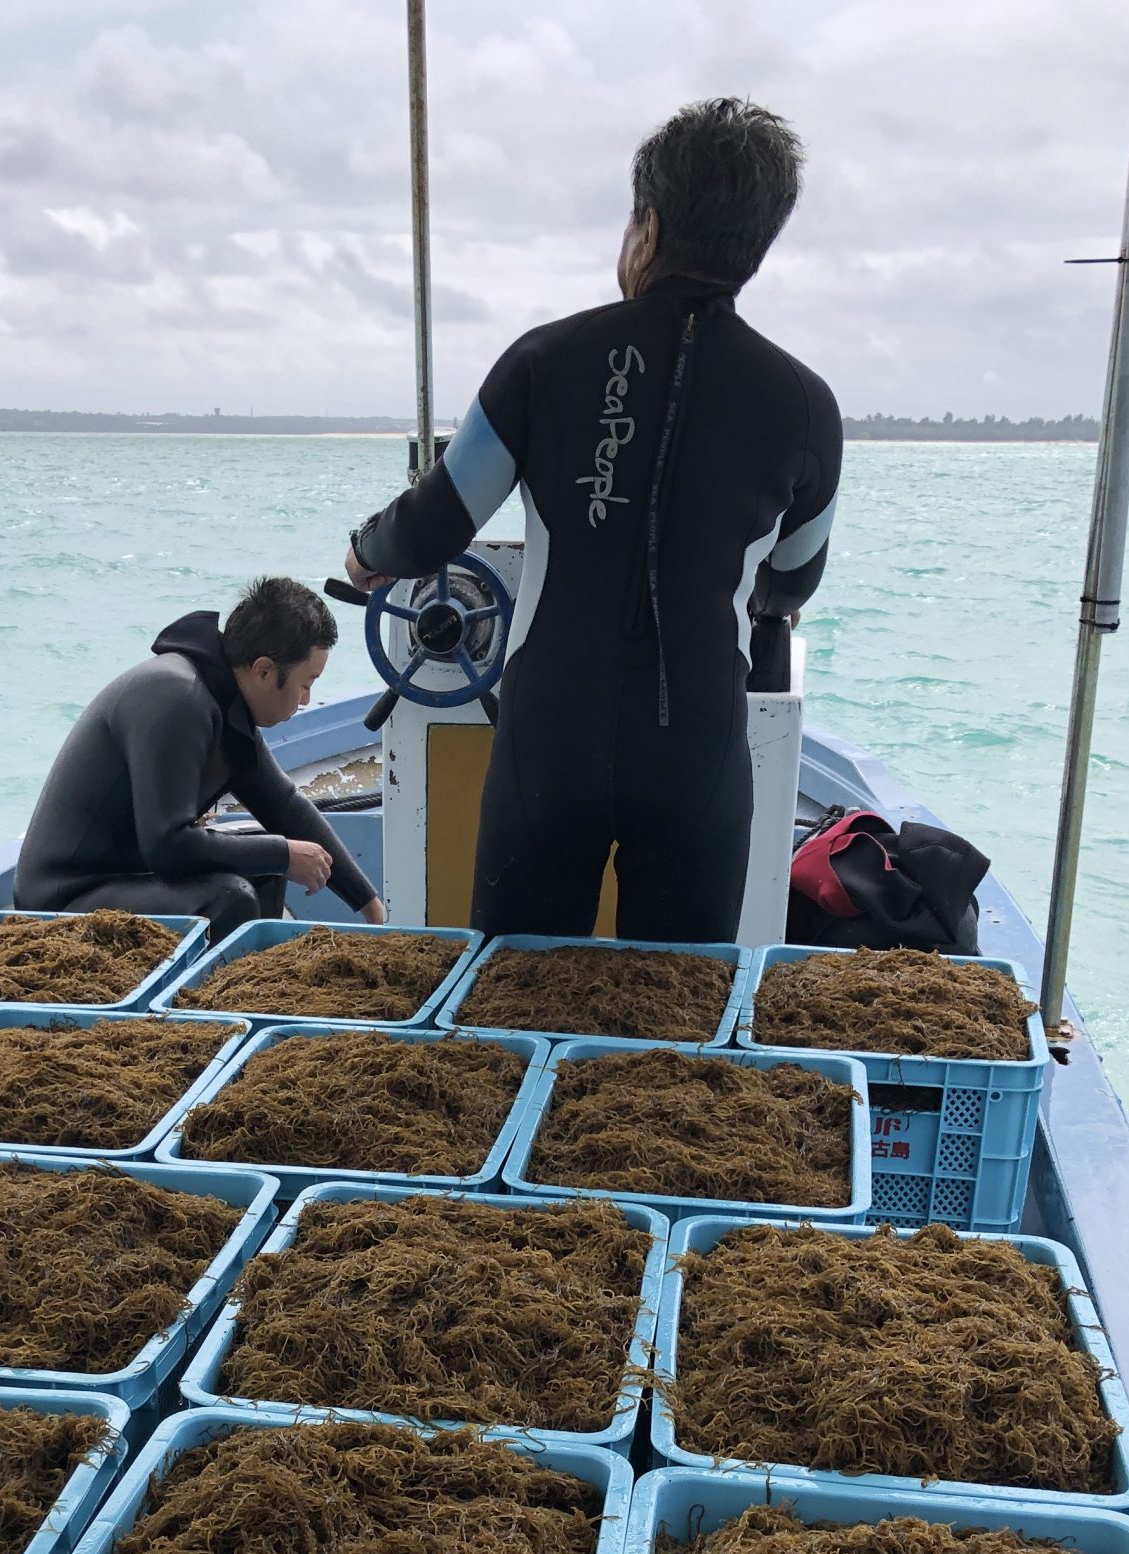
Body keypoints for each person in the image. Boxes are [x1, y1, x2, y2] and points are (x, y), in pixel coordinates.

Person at [342, 97, 841, 942]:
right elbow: (790, 583)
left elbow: (432, 526)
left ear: (647, 229)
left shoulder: (544, 361)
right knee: (677, 1006)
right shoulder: (804, 405)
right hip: (697, 752)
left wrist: (365, 554)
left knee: (514, 989)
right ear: (758, 245)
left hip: (551, 742)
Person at [14, 574, 385, 936]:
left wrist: (368, 903)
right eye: (306, 684)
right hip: (64, 898)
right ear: (263, 670)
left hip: (127, 878)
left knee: (268, 867)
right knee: (231, 896)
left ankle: (250, 974)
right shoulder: (178, 699)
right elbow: (167, 845)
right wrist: (282, 854)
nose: (305, 700)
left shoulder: (224, 700)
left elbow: (285, 806)